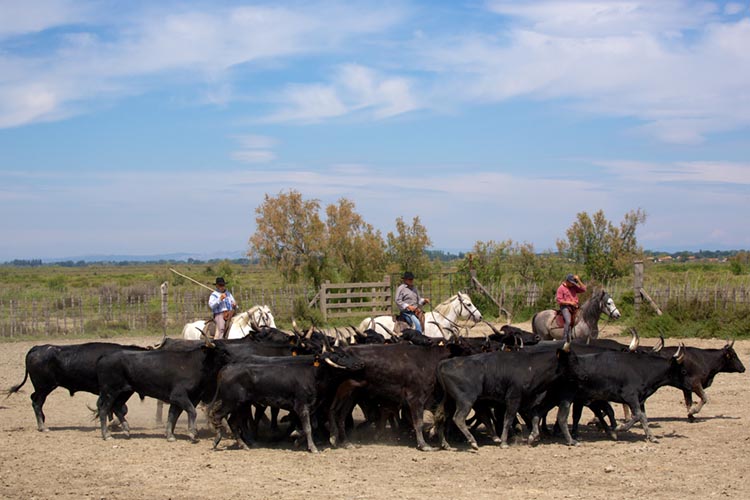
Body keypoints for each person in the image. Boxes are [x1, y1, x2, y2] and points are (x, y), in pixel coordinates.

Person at [556, 273, 586, 342]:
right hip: (565, 307)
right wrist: (570, 302)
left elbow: (584, 289)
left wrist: (578, 280)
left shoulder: (573, 287)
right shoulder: (561, 288)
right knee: (568, 321)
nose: (573, 284)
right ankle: (564, 338)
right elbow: (559, 300)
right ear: (567, 281)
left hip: (575, 306)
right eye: (572, 283)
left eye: (573, 283)